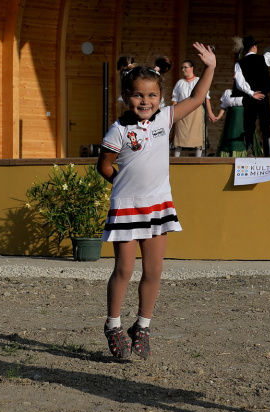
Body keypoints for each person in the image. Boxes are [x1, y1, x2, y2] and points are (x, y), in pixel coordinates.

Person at [97, 43, 216, 359]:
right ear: (126, 97)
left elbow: (195, 98)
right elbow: (104, 166)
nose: (145, 101)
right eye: (138, 95)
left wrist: (211, 68)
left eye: (152, 95)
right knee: (123, 269)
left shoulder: (165, 118)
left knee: (153, 271)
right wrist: (119, 182)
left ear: (161, 98)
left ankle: (143, 326)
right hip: (125, 207)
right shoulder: (118, 129)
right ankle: (113, 325)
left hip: (158, 206)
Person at [234, 27, 270, 157]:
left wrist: (251, 93)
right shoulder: (264, 59)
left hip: (249, 98)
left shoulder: (239, 63)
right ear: (254, 47)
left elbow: (239, 82)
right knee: (265, 124)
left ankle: (249, 149)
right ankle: (268, 153)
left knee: (249, 124)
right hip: (263, 96)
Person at [171, 60, 217, 157]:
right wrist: (173, 113)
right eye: (182, 68)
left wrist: (210, 113)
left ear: (192, 68)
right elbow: (175, 99)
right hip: (182, 110)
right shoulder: (180, 83)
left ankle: (198, 159)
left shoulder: (198, 81)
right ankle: (176, 160)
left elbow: (205, 98)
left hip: (197, 111)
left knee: (197, 136)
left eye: (185, 67)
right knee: (179, 136)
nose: (183, 69)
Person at [214, 87, 262, 157]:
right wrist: (218, 117)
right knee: (230, 138)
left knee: (244, 138)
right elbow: (223, 106)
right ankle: (229, 155)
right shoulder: (227, 92)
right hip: (231, 120)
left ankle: (247, 153)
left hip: (244, 118)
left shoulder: (248, 92)